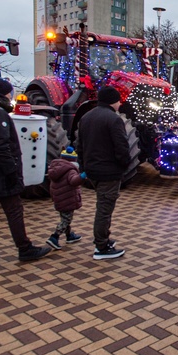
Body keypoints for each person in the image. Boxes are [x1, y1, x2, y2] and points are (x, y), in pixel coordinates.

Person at [0, 77, 50, 268]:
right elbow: (0, 147)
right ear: (4, 93)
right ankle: (24, 248)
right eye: (9, 92)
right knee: (14, 210)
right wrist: (11, 171)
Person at [77, 86, 129, 260]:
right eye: (118, 100)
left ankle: (104, 239)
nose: (120, 103)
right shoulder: (114, 120)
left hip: (92, 171)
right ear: (113, 101)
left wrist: (84, 168)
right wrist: (124, 166)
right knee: (104, 209)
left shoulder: (86, 117)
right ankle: (101, 246)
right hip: (108, 172)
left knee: (103, 206)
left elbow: (80, 146)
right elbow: (121, 147)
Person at [45, 146, 83, 251]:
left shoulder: (56, 168)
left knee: (65, 217)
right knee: (66, 219)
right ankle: (54, 237)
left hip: (59, 198)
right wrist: (82, 176)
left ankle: (69, 235)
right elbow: (73, 181)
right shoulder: (70, 170)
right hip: (68, 198)